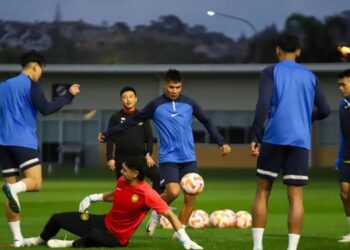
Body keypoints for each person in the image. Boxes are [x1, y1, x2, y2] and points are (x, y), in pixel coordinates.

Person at [98, 69, 231, 237]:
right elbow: (131, 121)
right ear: (164, 85)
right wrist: (108, 133)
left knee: (191, 196)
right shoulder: (155, 105)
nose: (174, 91)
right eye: (171, 87)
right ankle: (156, 213)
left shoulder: (189, 103)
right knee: (173, 192)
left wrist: (221, 141)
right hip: (169, 157)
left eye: (178, 87)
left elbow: (206, 120)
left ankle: (181, 233)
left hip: (189, 157)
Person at [249, 34, 330, 250]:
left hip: (274, 137)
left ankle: (258, 247)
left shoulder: (270, 72)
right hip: (300, 141)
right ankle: (292, 249)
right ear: (299, 51)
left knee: (262, 191)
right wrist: (305, 118)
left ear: (277, 50)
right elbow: (325, 110)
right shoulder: (311, 77)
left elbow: (263, 104)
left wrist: (256, 135)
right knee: (295, 196)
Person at [21, 157, 203, 249]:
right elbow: (115, 195)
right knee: (57, 218)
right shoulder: (123, 182)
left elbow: (169, 214)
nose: (121, 171)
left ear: (135, 174)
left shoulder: (148, 193)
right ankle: (39, 240)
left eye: (125, 170)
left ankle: (70, 244)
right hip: (104, 221)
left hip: (118, 237)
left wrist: (185, 239)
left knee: (92, 235)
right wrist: (93, 197)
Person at [0, 50, 80, 247]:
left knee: (12, 195)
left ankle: (18, 239)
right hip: (23, 141)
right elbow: (45, 108)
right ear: (35, 66)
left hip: (3, 143)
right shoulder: (31, 84)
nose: (40, 74)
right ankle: (13, 188)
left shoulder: (3, 86)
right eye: (41, 70)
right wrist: (68, 97)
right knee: (35, 183)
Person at [106, 86, 160, 193]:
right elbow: (110, 139)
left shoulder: (142, 116)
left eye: (131, 97)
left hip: (141, 157)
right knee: (124, 189)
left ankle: (153, 205)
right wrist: (110, 158)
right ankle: (124, 209)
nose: (128, 99)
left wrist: (149, 154)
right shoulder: (115, 117)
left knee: (158, 176)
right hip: (122, 158)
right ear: (121, 100)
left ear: (136, 99)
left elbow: (149, 138)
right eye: (125, 97)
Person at [335, 69, 350, 243]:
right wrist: (339, 156)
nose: (340, 88)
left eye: (343, 84)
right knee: (344, 193)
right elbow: (343, 134)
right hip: (347, 155)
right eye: (339, 85)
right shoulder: (342, 105)